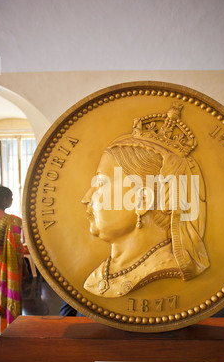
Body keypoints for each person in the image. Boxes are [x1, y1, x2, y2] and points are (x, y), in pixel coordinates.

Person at [81, 103, 209, 298]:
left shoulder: (164, 268)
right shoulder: (99, 275)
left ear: (142, 200)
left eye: (100, 183)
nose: (85, 198)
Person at [0, 186, 24, 324]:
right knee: (3, 301)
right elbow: (19, 247)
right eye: (11, 197)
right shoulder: (11, 221)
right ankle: (4, 330)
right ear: (4, 199)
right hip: (4, 267)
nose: (12, 200)